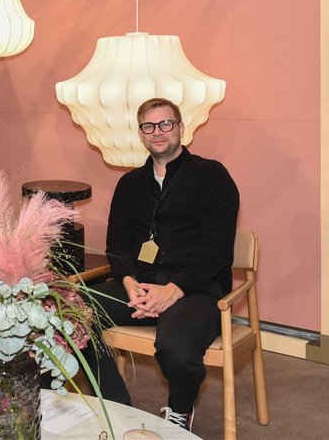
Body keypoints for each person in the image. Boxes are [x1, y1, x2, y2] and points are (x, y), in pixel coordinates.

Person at [86, 98, 239, 431]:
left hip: (196, 288)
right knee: (70, 310)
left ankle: (180, 411)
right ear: (140, 133)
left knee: (176, 350)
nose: (157, 132)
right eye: (149, 126)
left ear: (181, 128)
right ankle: (117, 406)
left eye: (165, 124)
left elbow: (217, 250)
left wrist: (174, 289)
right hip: (140, 285)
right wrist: (128, 282)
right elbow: (117, 245)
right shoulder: (129, 184)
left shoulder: (211, 176)